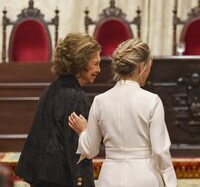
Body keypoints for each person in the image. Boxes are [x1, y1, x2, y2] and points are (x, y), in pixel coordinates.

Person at [69, 39, 177, 187]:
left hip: (109, 177)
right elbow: (159, 150)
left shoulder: (100, 101)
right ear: (142, 67)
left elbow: (90, 150)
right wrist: (170, 181)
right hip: (145, 177)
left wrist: (83, 132)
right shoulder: (152, 101)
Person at [15, 32, 101, 187]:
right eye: (95, 64)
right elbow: (77, 150)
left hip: (42, 177)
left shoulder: (50, 89)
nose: (99, 69)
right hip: (62, 180)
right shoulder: (77, 97)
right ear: (80, 63)